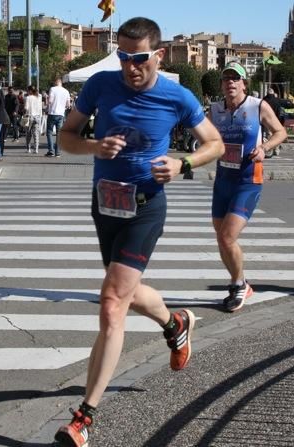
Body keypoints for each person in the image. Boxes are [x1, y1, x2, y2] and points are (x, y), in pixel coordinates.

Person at [53, 17, 225, 447]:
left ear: (158, 55)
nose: (131, 67)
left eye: (140, 58)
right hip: (106, 203)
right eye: (124, 57)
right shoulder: (100, 87)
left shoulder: (177, 96)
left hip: (146, 206)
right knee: (126, 291)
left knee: (112, 304)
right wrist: (94, 146)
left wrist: (183, 163)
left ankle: (83, 419)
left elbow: (215, 144)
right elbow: (65, 138)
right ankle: (175, 322)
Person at [208, 62, 287, 313]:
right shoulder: (215, 110)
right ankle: (241, 282)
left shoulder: (258, 106)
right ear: (221, 84)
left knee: (228, 236)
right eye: (226, 78)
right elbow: (206, 136)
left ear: (244, 83)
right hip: (223, 180)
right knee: (222, 240)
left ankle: (237, 285)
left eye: (235, 78)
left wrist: (264, 148)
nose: (230, 82)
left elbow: (280, 132)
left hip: (248, 180)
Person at [45, 77, 71, 157]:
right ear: (61, 83)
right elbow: (68, 105)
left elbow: (50, 101)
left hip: (52, 113)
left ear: (56, 82)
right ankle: (58, 152)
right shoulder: (66, 91)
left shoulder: (52, 89)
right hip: (61, 114)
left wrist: (46, 99)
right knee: (59, 133)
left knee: (49, 132)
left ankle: (51, 151)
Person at [262, 87, 285, 156]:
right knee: (277, 135)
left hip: (267, 120)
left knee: (268, 135)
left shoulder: (264, 100)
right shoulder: (277, 100)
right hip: (277, 120)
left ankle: (270, 150)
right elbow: (280, 111)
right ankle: (276, 149)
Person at [23, 85, 42, 154]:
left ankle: (28, 149)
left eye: (27, 90)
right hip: (37, 117)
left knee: (28, 133)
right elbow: (40, 107)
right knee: (36, 133)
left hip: (29, 116)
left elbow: (26, 108)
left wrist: (23, 111)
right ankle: (36, 149)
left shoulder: (28, 98)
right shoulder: (39, 97)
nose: (27, 92)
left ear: (30, 91)